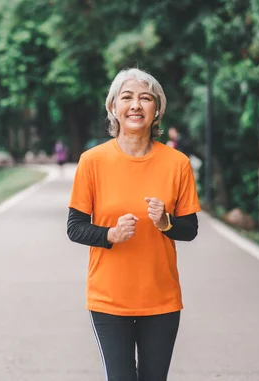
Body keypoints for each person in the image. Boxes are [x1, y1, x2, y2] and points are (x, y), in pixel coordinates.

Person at [66, 68, 201, 381]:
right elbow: (74, 227)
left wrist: (166, 223)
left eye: (146, 98)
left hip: (161, 299)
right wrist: (110, 234)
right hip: (109, 299)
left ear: (157, 110)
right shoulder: (92, 161)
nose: (136, 105)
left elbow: (190, 228)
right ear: (113, 108)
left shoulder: (176, 163)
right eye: (126, 97)